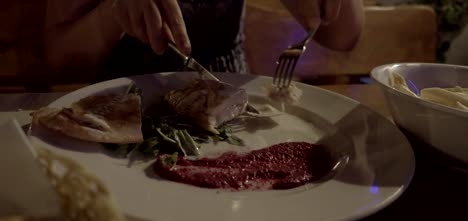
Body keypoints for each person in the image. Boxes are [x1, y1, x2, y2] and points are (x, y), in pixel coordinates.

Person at [43, 0, 364, 81]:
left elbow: (343, 34)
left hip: (233, 124)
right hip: (123, 125)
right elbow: (57, 57)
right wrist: (115, 10)